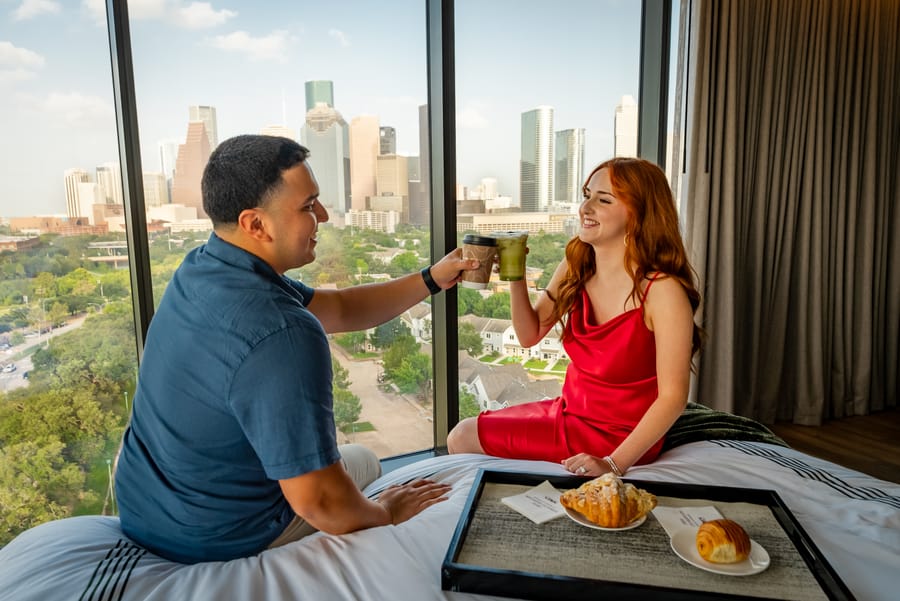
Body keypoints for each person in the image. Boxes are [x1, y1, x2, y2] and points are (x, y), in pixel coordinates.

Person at [115, 134, 478, 564]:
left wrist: (432, 278)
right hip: (213, 536)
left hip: (147, 507)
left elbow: (340, 308)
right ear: (255, 224)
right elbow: (322, 504)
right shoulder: (281, 332)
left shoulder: (204, 267)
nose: (323, 215)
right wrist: (387, 510)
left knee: (355, 459)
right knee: (365, 463)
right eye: (308, 206)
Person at [447, 157, 702, 478]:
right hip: (568, 413)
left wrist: (613, 463)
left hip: (620, 436)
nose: (586, 207)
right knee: (461, 433)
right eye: (587, 195)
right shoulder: (573, 269)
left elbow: (674, 397)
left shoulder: (663, 292)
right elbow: (529, 335)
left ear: (638, 214)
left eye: (604, 199)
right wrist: (515, 274)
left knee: (463, 436)